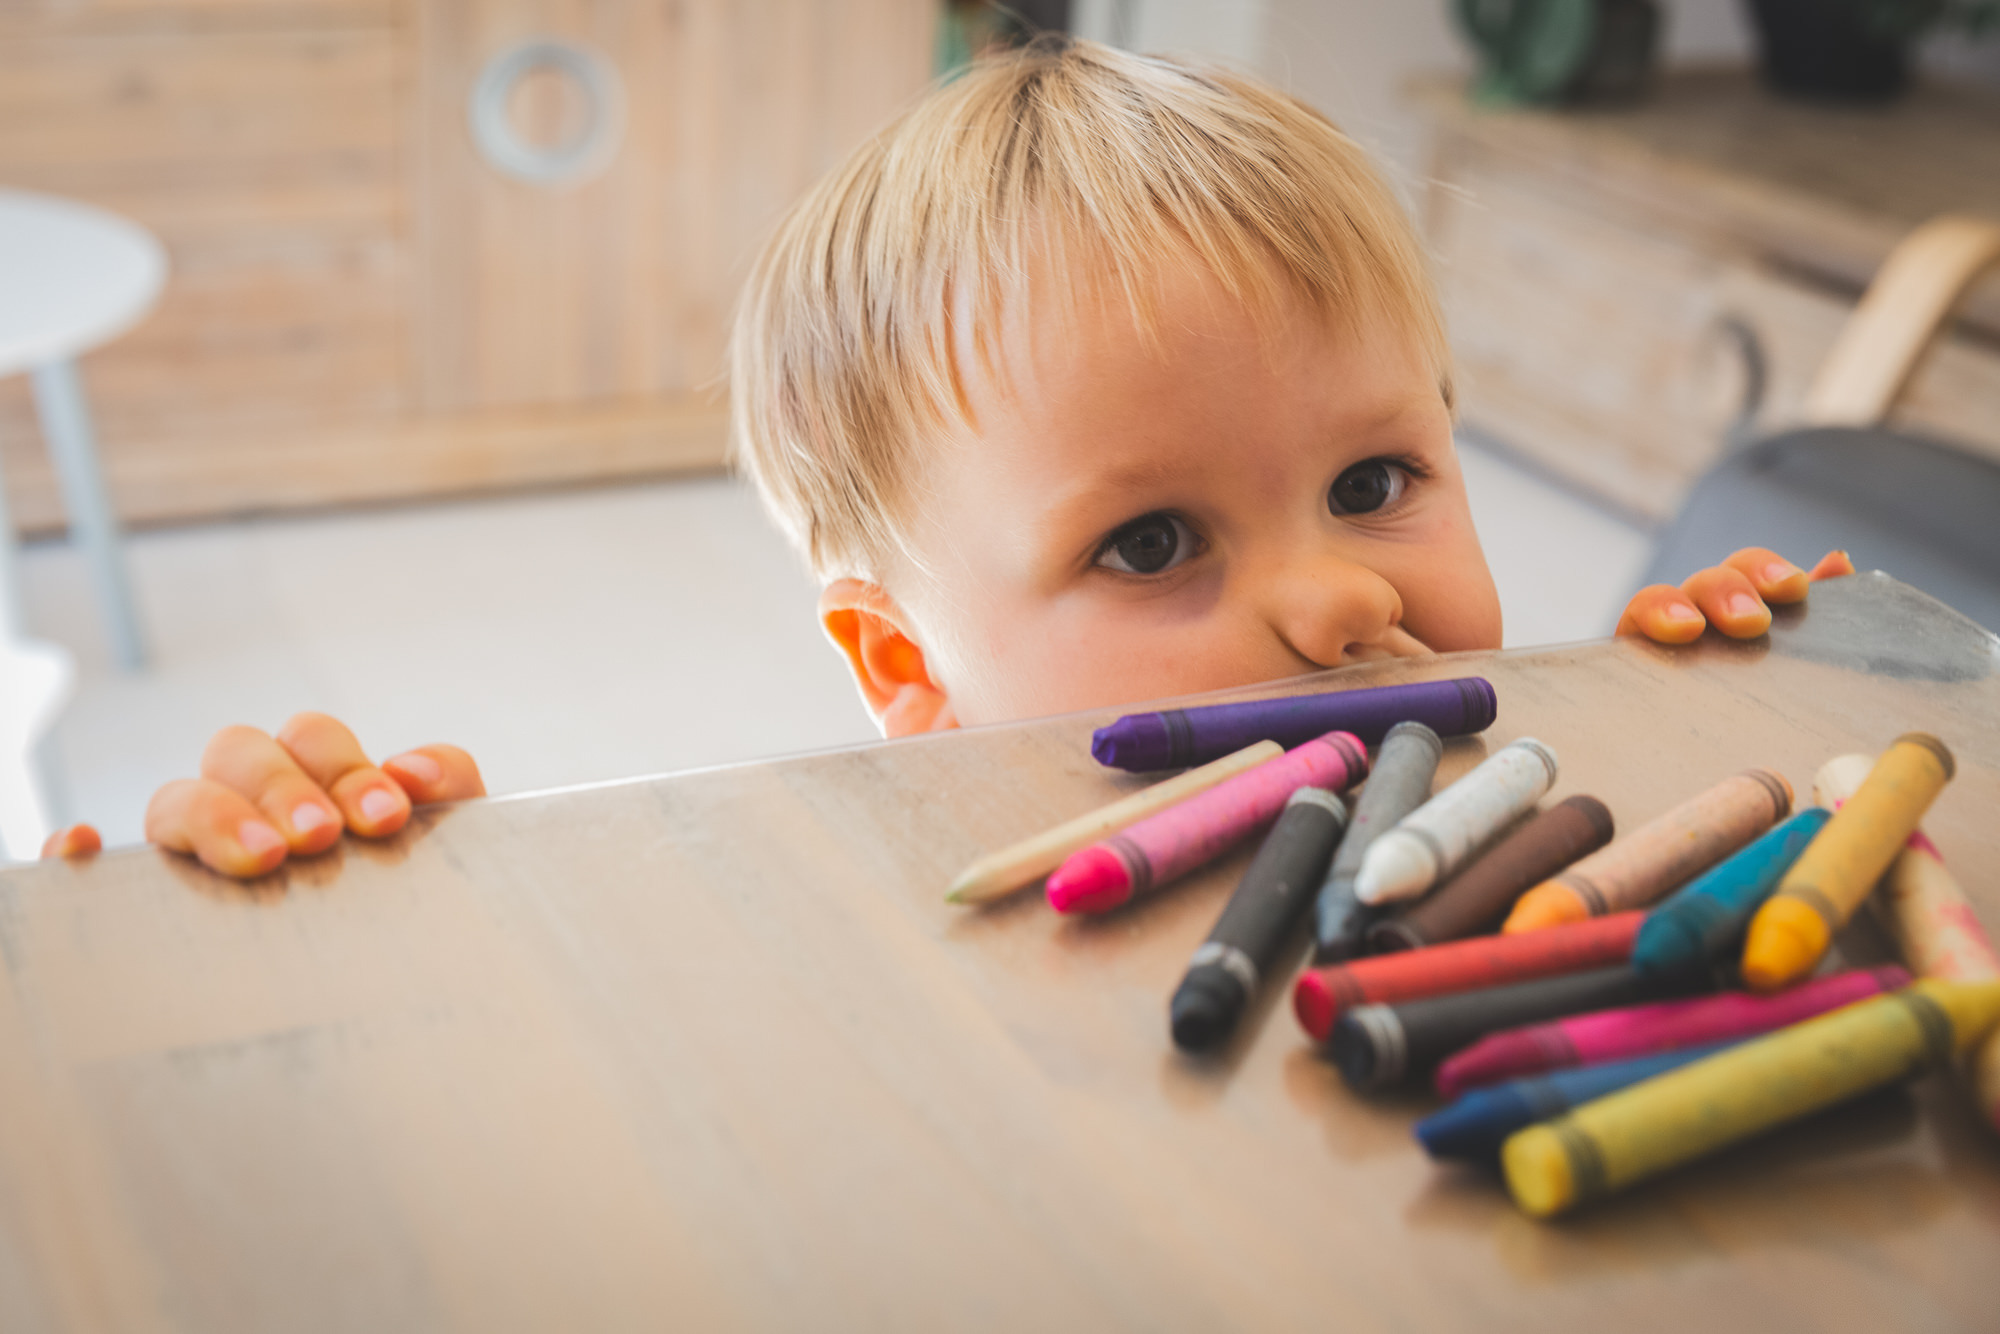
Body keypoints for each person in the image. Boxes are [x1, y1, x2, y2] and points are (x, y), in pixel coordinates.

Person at [41, 38, 1850, 878]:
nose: (1345, 596)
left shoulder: (1517, 776)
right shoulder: (853, 914)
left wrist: (1702, 722)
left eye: (1376, 480)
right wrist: (355, 888)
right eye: (1151, 542)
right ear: (905, 664)